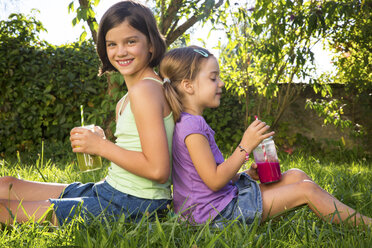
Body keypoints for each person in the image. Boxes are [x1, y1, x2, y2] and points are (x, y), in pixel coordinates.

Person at [0, 0, 174, 226]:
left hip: (134, 203)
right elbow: (141, 149)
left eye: (131, 41)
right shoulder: (134, 94)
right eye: (111, 44)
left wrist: (101, 147)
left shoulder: (145, 90)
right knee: (7, 184)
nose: (120, 51)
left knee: (4, 209)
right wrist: (103, 143)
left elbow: (158, 170)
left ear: (151, 44)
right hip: (112, 190)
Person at [159, 45, 371, 227]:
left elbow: (206, 178)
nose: (221, 83)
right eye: (213, 77)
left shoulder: (190, 122)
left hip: (215, 205)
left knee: (297, 174)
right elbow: (214, 181)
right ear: (188, 85)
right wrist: (245, 146)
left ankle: (341, 214)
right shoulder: (192, 127)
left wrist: (246, 175)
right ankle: (367, 225)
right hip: (212, 215)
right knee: (306, 190)